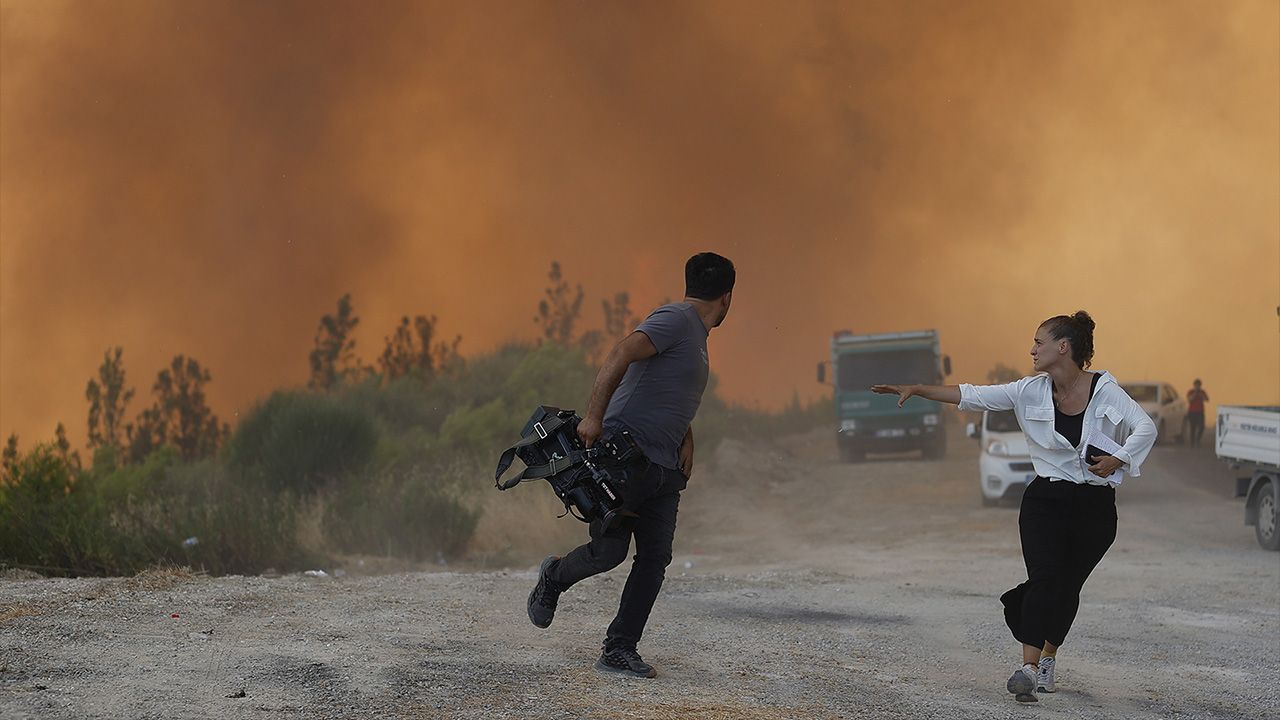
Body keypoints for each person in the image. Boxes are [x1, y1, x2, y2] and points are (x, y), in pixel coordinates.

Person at [872, 310, 1156, 703]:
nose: (1032, 349)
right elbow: (971, 395)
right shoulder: (1028, 391)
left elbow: (1146, 427)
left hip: (1094, 506)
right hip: (1045, 500)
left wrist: (1119, 458)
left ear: (1063, 347)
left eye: (1039, 342)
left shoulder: (1106, 391)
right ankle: (1026, 668)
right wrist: (918, 388)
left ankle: (1048, 657)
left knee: (1067, 587)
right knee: (1044, 577)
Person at [525, 252, 735, 678]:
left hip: (664, 467)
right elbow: (621, 353)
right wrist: (594, 416)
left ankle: (619, 648)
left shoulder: (694, 336)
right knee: (610, 552)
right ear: (728, 297)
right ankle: (554, 577)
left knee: (655, 557)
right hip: (626, 459)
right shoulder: (677, 319)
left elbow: (670, 394)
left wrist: (688, 436)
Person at [1186, 379, 1209, 447]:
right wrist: (1195, 393)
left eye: (1198, 385)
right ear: (1194, 385)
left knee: (1202, 427)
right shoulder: (1191, 391)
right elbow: (1189, 399)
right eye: (1196, 385)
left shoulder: (1202, 392)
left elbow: (1206, 399)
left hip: (1200, 412)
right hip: (1192, 412)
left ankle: (1198, 439)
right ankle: (1192, 441)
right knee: (1193, 427)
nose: (1197, 387)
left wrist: (1201, 394)